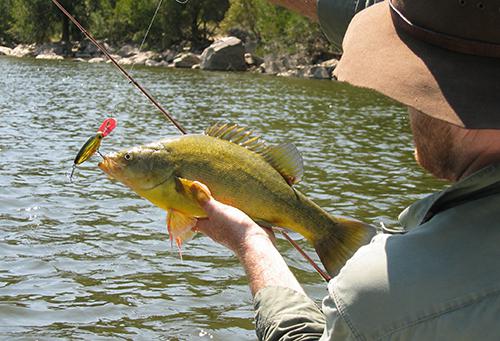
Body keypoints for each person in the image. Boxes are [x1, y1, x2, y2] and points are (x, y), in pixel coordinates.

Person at [190, 0, 500, 339]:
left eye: (415, 83)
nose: (404, 101)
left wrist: (251, 242)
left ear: (456, 96)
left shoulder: (379, 296)